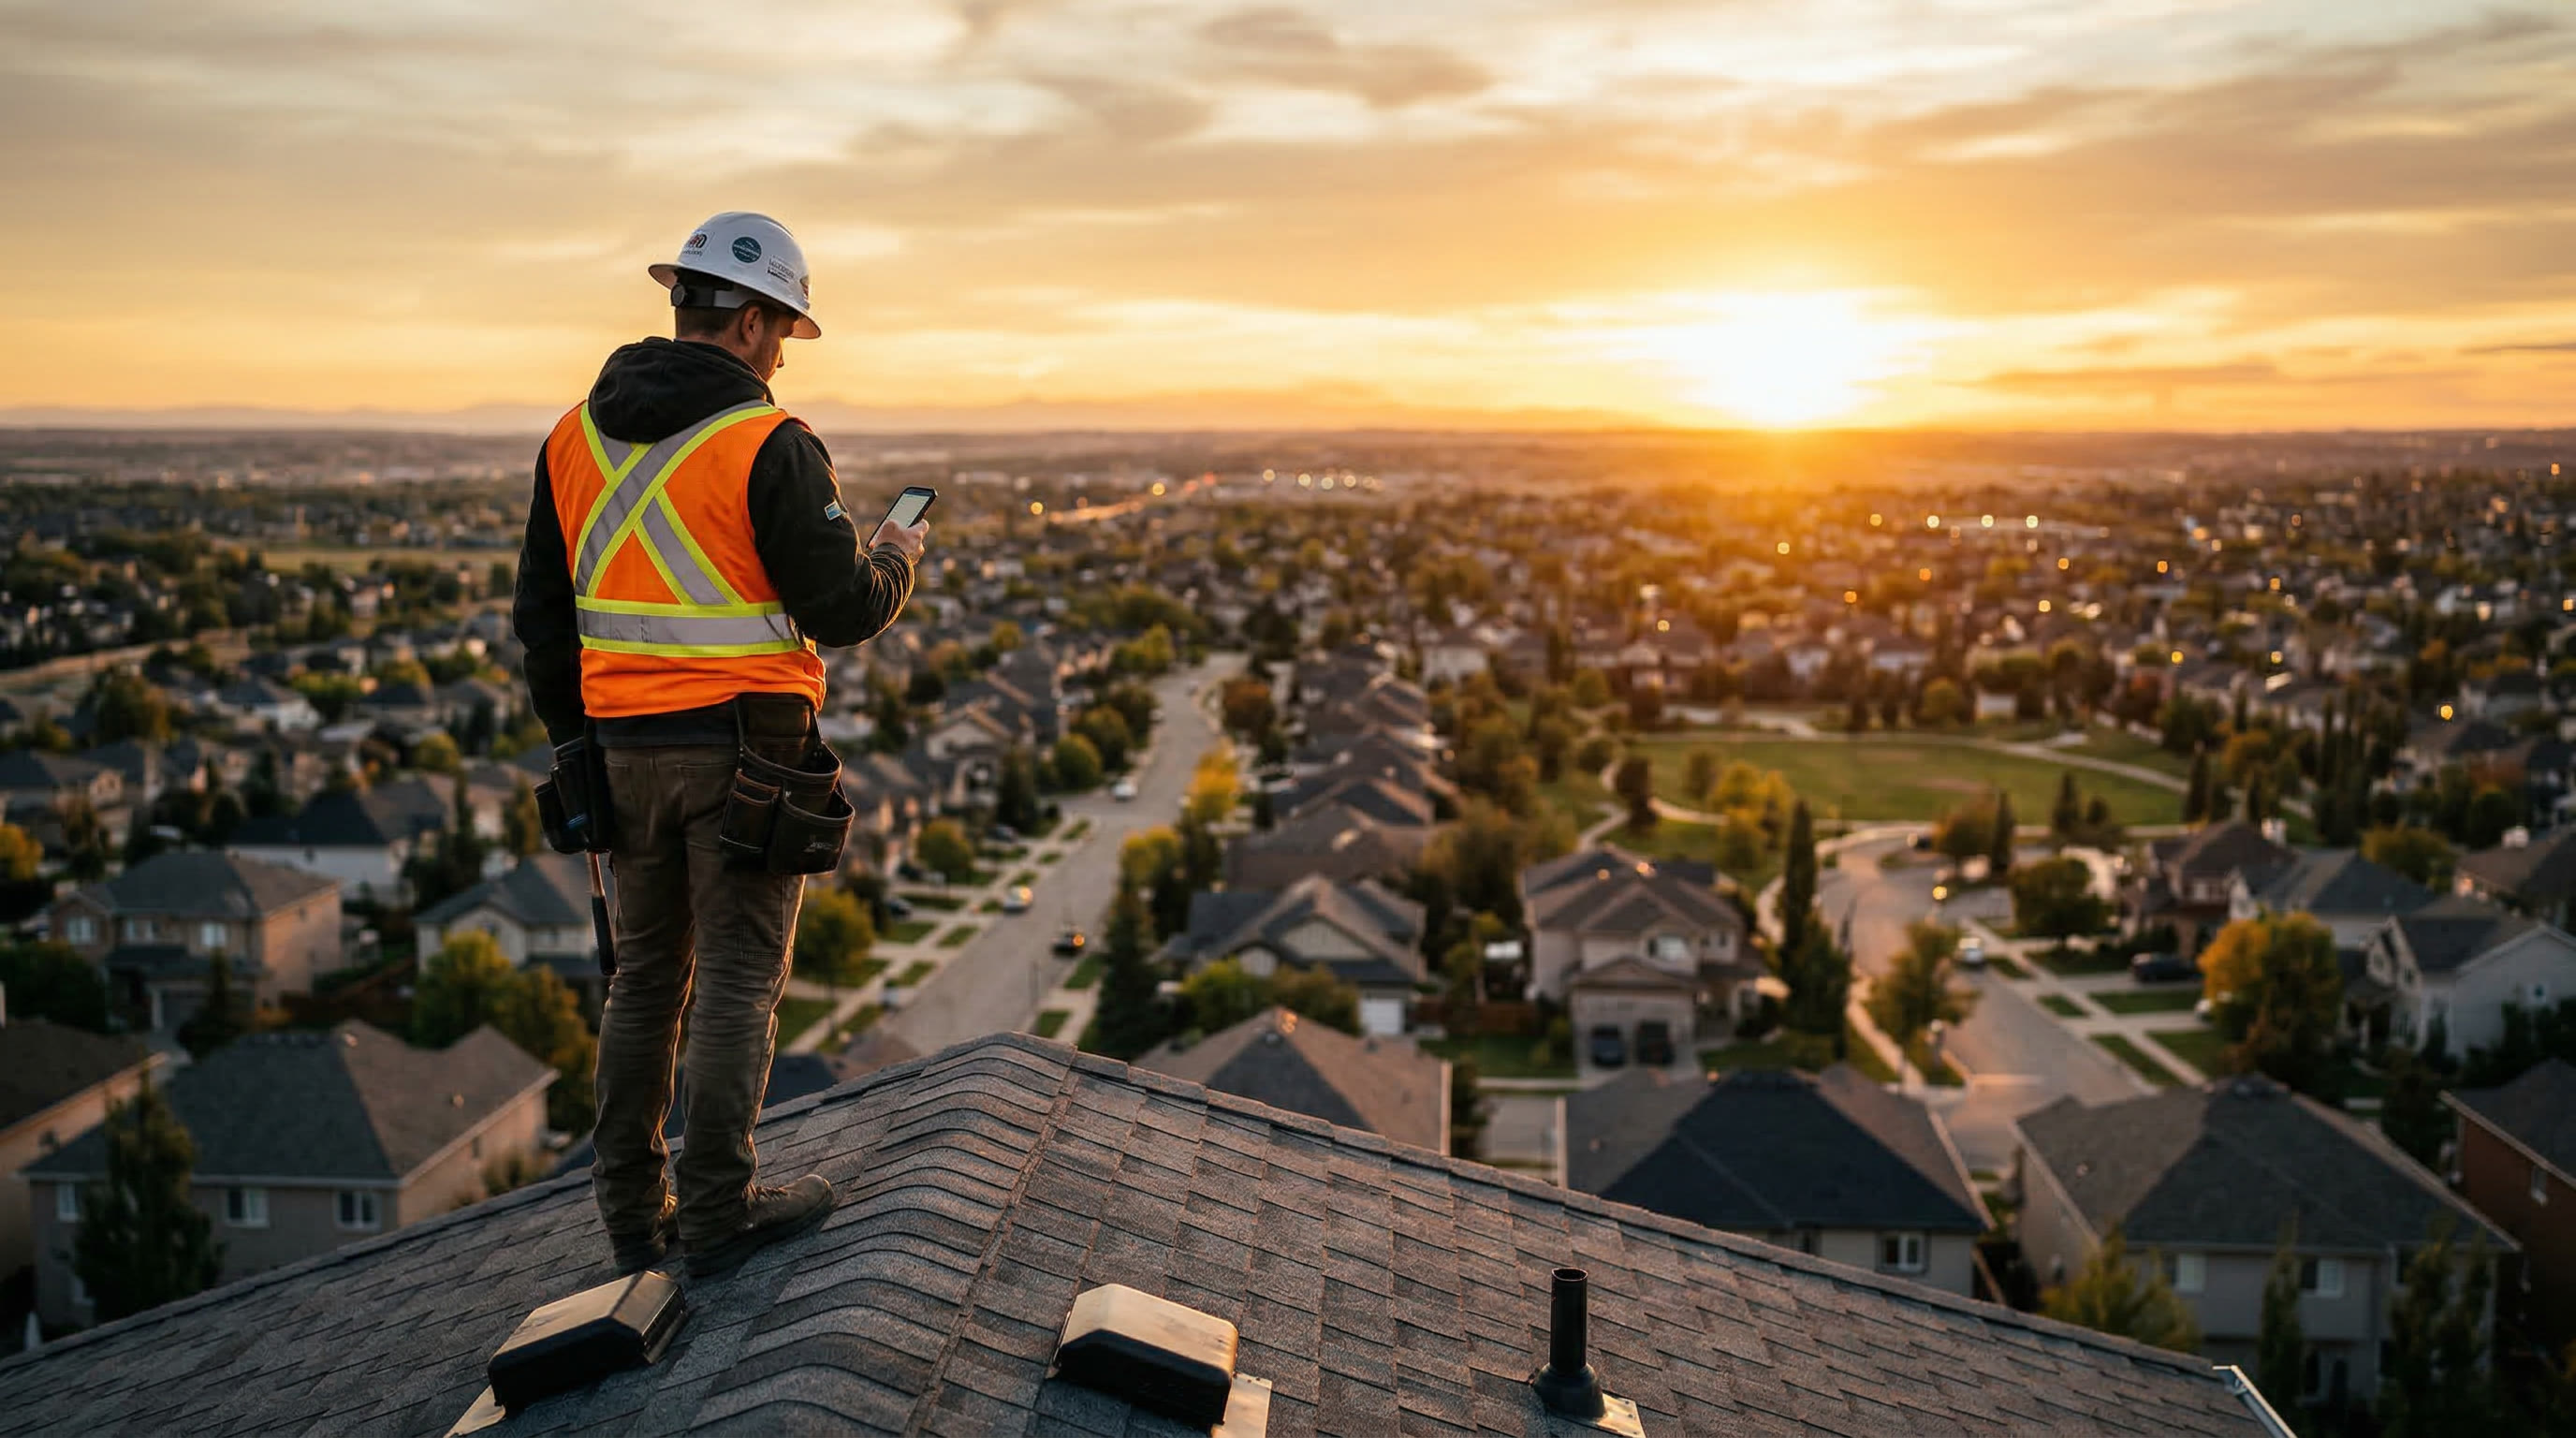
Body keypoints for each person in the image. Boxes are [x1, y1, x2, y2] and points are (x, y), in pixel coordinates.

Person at [513, 212, 927, 1279]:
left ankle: (626, 1218)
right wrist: (893, 556)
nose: (784, 352)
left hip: (619, 752)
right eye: (783, 329)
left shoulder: (571, 436)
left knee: (644, 980)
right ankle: (715, 1210)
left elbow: (544, 623)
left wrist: (576, 753)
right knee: (740, 977)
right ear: (747, 321)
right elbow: (837, 609)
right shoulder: (767, 443)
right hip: (746, 753)